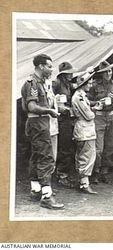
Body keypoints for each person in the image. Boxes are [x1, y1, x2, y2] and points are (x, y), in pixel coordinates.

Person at [21, 54, 64, 209]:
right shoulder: (32, 83)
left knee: (36, 155)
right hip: (39, 122)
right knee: (46, 157)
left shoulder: (40, 83)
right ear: (40, 66)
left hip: (37, 123)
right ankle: (47, 196)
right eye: (49, 66)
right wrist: (49, 111)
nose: (51, 70)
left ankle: (36, 190)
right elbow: (31, 107)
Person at [88, 61, 113, 184]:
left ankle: (104, 172)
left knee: (111, 146)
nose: (108, 73)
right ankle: (95, 172)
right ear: (101, 74)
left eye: (109, 71)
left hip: (111, 117)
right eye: (105, 72)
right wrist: (98, 103)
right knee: (98, 148)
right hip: (99, 117)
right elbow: (86, 100)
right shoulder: (94, 85)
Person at [52, 62, 78, 188]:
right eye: (69, 73)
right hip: (61, 120)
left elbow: (77, 85)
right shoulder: (56, 84)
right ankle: (62, 175)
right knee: (64, 147)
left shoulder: (67, 84)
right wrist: (64, 108)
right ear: (63, 74)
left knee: (67, 146)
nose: (71, 74)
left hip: (66, 119)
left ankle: (62, 173)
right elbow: (51, 100)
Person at [71, 71, 98, 194]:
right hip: (85, 129)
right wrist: (95, 110)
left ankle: (82, 181)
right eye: (89, 82)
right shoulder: (79, 97)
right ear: (83, 84)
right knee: (86, 155)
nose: (91, 84)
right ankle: (84, 183)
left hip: (85, 129)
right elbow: (88, 115)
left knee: (84, 155)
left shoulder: (82, 96)